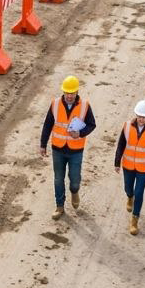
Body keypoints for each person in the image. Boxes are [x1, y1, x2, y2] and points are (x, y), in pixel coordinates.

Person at [39, 75, 96, 218]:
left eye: (72, 93)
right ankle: (59, 206)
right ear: (63, 92)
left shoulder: (85, 106)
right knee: (58, 179)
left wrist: (81, 133)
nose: (69, 96)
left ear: (77, 92)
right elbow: (47, 125)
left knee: (74, 179)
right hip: (58, 149)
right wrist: (43, 144)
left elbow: (92, 124)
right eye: (67, 92)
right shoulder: (55, 104)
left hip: (76, 150)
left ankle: (74, 192)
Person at [115, 100, 145, 236]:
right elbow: (121, 145)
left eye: (144, 117)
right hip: (128, 165)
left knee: (139, 193)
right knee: (128, 188)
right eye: (140, 116)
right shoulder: (127, 126)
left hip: (144, 168)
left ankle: (134, 219)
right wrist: (117, 162)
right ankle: (129, 196)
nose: (141, 119)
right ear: (136, 115)